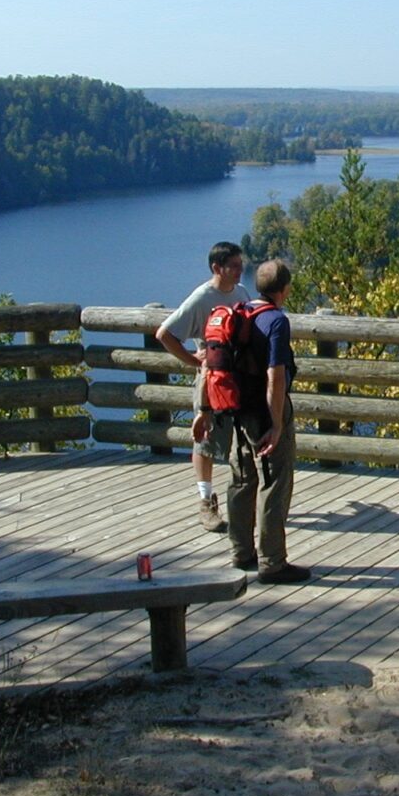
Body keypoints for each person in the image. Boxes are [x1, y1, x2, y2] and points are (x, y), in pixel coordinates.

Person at [203, 259, 310, 584]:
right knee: (275, 483)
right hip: (264, 411)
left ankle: (241, 552)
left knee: (241, 478)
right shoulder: (276, 321)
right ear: (285, 289)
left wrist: (206, 409)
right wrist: (277, 424)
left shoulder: (239, 312)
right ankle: (273, 563)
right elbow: (275, 374)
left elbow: (211, 366)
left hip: (236, 410)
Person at [154, 241, 250, 533]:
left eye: (239, 264)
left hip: (238, 379)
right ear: (216, 268)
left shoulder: (242, 293)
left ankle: (241, 498)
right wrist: (194, 361)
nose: (239, 270)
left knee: (240, 439)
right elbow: (164, 334)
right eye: (233, 265)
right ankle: (205, 502)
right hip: (211, 382)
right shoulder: (201, 298)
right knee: (205, 442)